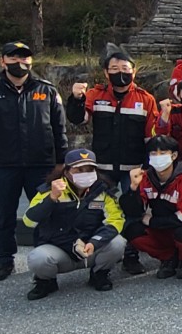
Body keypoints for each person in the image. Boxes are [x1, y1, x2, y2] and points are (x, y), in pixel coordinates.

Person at [0, 41, 67, 282]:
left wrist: (61, 162)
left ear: (31, 61)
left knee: (45, 212)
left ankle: (46, 258)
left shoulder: (46, 89)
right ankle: (3, 261)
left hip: (41, 164)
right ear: (3, 61)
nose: (19, 63)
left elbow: (59, 128)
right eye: (13, 58)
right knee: (4, 214)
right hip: (3, 164)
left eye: (24, 58)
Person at [66, 48, 159, 275]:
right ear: (106, 73)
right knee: (97, 210)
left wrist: (148, 167)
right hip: (102, 169)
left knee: (133, 211)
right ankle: (99, 252)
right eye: (115, 69)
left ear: (134, 72)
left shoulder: (145, 99)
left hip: (132, 168)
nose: (120, 73)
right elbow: (79, 119)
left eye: (125, 69)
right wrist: (76, 99)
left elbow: (151, 137)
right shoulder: (95, 94)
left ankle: (131, 255)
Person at [19, 149, 127, 300]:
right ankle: (46, 282)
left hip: (90, 248)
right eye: (79, 170)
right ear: (66, 171)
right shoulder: (50, 190)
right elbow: (29, 221)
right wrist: (51, 199)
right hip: (61, 250)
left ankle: (99, 274)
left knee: (118, 243)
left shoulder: (104, 191)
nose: (85, 174)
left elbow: (115, 220)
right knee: (38, 258)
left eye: (89, 170)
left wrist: (94, 242)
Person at [119, 135, 182, 280]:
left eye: (162, 153)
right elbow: (133, 211)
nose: (158, 157)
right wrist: (133, 188)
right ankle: (168, 258)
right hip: (162, 228)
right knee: (132, 230)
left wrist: (151, 221)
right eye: (153, 153)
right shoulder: (144, 178)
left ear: (174, 155)